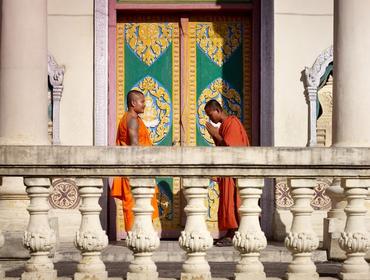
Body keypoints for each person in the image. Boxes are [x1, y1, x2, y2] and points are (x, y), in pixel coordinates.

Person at [111, 89, 160, 232]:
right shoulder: (132, 120)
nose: (144, 105)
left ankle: (139, 233)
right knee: (136, 203)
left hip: (136, 168)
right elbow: (135, 147)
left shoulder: (131, 118)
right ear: (133, 103)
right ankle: (136, 234)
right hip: (135, 169)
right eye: (142, 102)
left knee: (139, 203)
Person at [204, 99, 250, 246]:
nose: (210, 118)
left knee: (233, 201)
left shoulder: (232, 123)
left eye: (210, 114)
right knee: (227, 202)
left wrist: (214, 133)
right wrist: (215, 134)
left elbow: (230, 148)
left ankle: (234, 233)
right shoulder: (225, 125)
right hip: (226, 171)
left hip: (234, 171)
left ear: (217, 110)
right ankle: (230, 233)